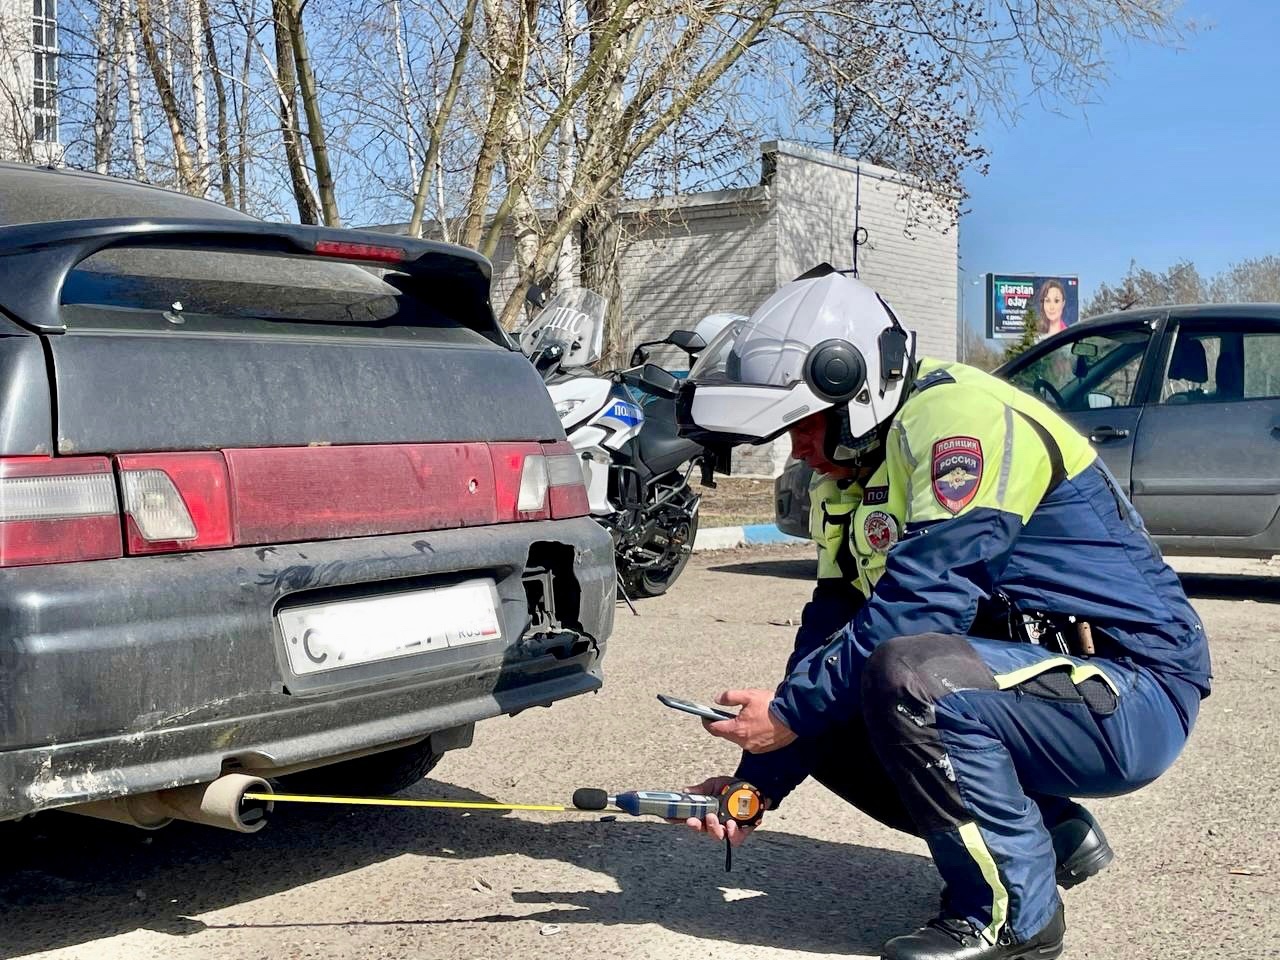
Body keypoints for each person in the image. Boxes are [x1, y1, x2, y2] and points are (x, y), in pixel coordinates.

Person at [674, 266, 1210, 960]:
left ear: (856, 392)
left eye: (802, 427)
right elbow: (828, 635)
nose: (798, 450)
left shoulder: (961, 422)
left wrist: (789, 712)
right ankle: (1048, 835)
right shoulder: (857, 471)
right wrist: (759, 780)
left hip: (1134, 692)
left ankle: (1013, 917)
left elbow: (923, 604)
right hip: (1041, 683)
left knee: (907, 676)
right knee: (834, 697)